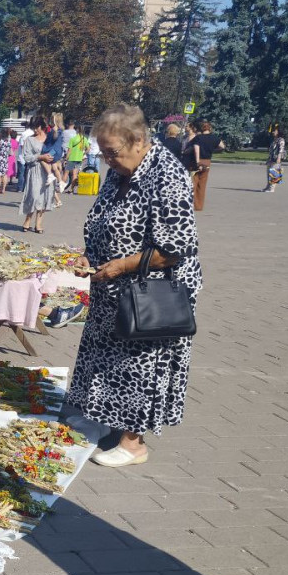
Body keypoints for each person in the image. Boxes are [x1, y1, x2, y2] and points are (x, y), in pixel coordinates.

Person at [67, 103, 202, 468]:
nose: (107, 159)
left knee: (140, 365)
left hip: (151, 292)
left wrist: (120, 266)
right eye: (103, 151)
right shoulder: (120, 171)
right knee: (106, 356)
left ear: (139, 140)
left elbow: (174, 248)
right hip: (113, 286)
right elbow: (102, 220)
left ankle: (133, 442)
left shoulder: (167, 173)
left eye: (112, 151)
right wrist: (88, 256)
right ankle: (100, 418)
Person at [20, 117, 56, 234]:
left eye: (37, 127)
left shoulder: (49, 139)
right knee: (34, 196)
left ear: (42, 127)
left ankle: (39, 223)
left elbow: (58, 152)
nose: (35, 130)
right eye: (33, 127)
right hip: (34, 171)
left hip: (48, 172)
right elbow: (27, 157)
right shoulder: (30, 140)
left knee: (45, 196)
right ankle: (27, 220)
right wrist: (40, 157)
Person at [190, 120, 224, 211]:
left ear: (202, 128)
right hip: (207, 161)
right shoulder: (214, 138)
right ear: (210, 128)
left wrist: (197, 162)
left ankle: (191, 204)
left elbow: (196, 149)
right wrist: (213, 150)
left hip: (197, 161)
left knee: (193, 183)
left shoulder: (198, 138)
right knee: (202, 185)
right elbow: (222, 147)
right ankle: (199, 206)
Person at [65, 129, 90, 193]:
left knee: (66, 173)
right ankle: (71, 189)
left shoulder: (73, 139)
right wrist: (83, 154)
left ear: (77, 131)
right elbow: (88, 149)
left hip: (71, 159)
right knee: (75, 174)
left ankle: (61, 188)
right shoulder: (84, 139)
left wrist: (66, 158)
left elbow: (69, 151)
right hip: (79, 159)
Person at [264, 126, 286, 193]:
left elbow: (281, 149)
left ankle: (272, 189)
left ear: (278, 132)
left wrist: (279, 157)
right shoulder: (274, 139)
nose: (273, 132)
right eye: (273, 131)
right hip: (271, 158)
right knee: (269, 173)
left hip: (276, 158)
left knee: (274, 173)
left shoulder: (281, 140)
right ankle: (268, 187)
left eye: (274, 131)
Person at [0, 128, 12, 194]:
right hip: (5, 159)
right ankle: (3, 189)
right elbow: (10, 152)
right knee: (4, 174)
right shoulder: (8, 141)